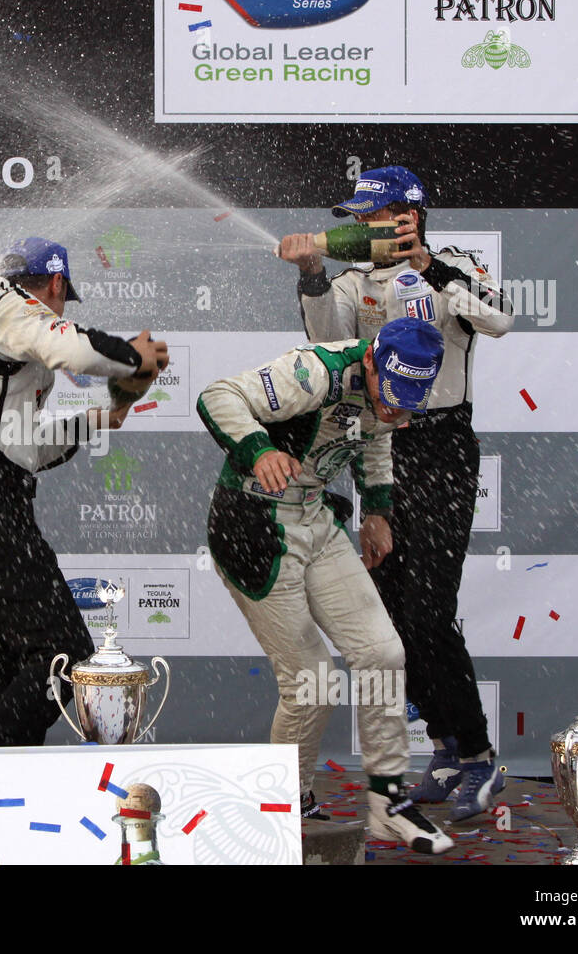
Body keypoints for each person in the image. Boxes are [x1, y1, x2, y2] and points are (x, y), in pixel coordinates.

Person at [279, 165, 514, 821]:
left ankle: (477, 759)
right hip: (382, 448)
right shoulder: (355, 280)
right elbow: (329, 344)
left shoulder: (456, 266)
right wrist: (310, 274)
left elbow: (499, 319)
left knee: (431, 612)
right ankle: (443, 750)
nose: (361, 228)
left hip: (442, 447)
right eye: (357, 219)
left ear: (407, 215)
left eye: (372, 216)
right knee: (393, 621)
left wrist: (429, 268)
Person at [198, 318, 452, 854]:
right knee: (312, 679)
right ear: (369, 363)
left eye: (410, 401)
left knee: (382, 652)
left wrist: (379, 510)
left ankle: (387, 802)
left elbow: (377, 437)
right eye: (392, 393)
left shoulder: (392, 398)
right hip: (254, 522)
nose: (396, 411)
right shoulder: (315, 372)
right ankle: (279, 805)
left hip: (316, 516)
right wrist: (261, 450)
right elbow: (217, 395)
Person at [0, 237, 168, 747]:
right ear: (55, 285)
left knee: (14, 671)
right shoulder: (10, 305)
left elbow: (26, 447)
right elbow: (71, 347)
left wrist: (104, 416)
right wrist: (132, 357)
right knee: (66, 653)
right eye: (62, 298)